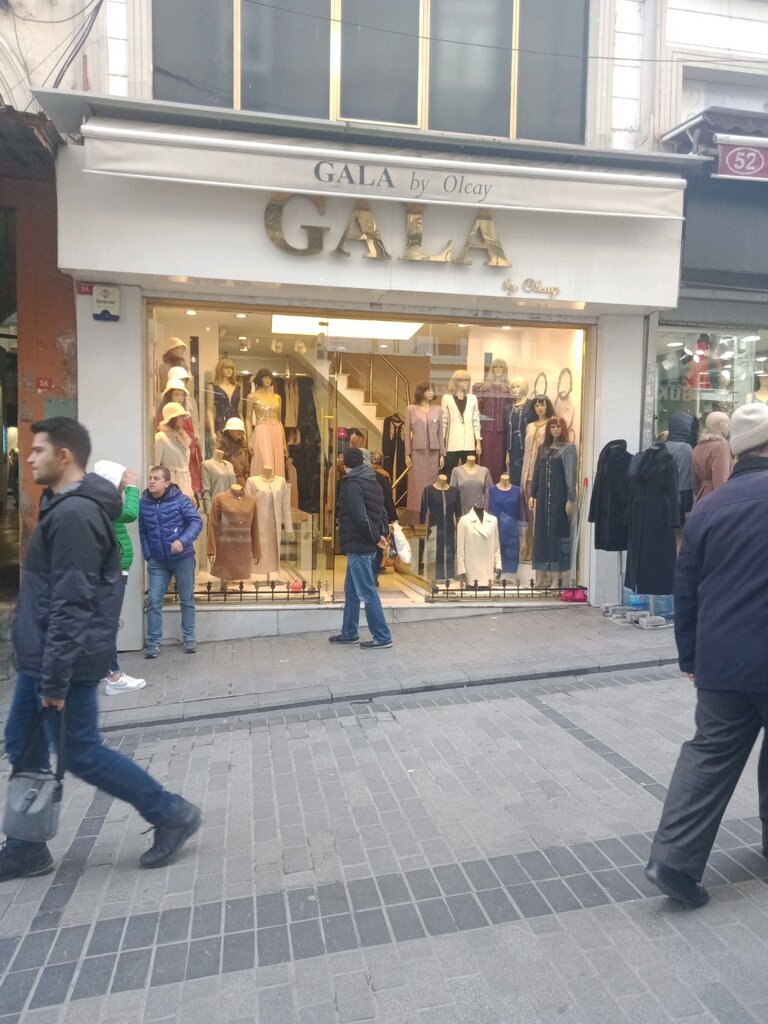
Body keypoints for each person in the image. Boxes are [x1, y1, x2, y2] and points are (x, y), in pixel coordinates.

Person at [0, 418, 201, 882]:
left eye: (38, 450)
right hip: (44, 654)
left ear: (64, 456)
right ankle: (26, 845)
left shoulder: (75, 515)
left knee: (81, 752)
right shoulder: (62, 503)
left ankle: (170, 813)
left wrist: (54, 680)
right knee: (23, 741)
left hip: (61, 660)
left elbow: (73, 602)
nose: (29, 457)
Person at [645, 404, 768, 908]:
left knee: (709, 754)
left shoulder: (709, 508)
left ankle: (671, 861)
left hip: (721, 661)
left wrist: (691, 659)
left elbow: (687, 590)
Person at [329, 447, 393, 649]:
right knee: (351, 590)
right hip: (366, 544)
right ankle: (349, 633)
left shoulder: (352, 484)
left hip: (359, 545)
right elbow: (382, 512)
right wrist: (381, 535)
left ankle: (382, 636)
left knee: (366, 591)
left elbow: (360, 517)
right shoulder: (373, 480)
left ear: (346, 465)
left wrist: (375, 537)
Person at [93, 460, 146, 695]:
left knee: (102, 622)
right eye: (121, 480)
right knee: (107, 623)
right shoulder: (105, 502)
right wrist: (133, 488)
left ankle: (99, 670)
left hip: (109, 568)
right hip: (112, 570)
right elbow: (131, 513)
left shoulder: (98, 501)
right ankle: (113, 677)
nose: (124, 484)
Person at [139, 465, 202, 658]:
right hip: (158, 561)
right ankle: (153, 643)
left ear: (166, 483)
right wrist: (148, 555)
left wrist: (182, 541)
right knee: (154, 600)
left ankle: (189, 638)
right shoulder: (144, 503)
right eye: (150, 478)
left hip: (182, 559)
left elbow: (196, 522)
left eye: (156, 478)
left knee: (186, 599)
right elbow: (143, 531)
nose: (151, 481)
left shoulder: (181, 500)